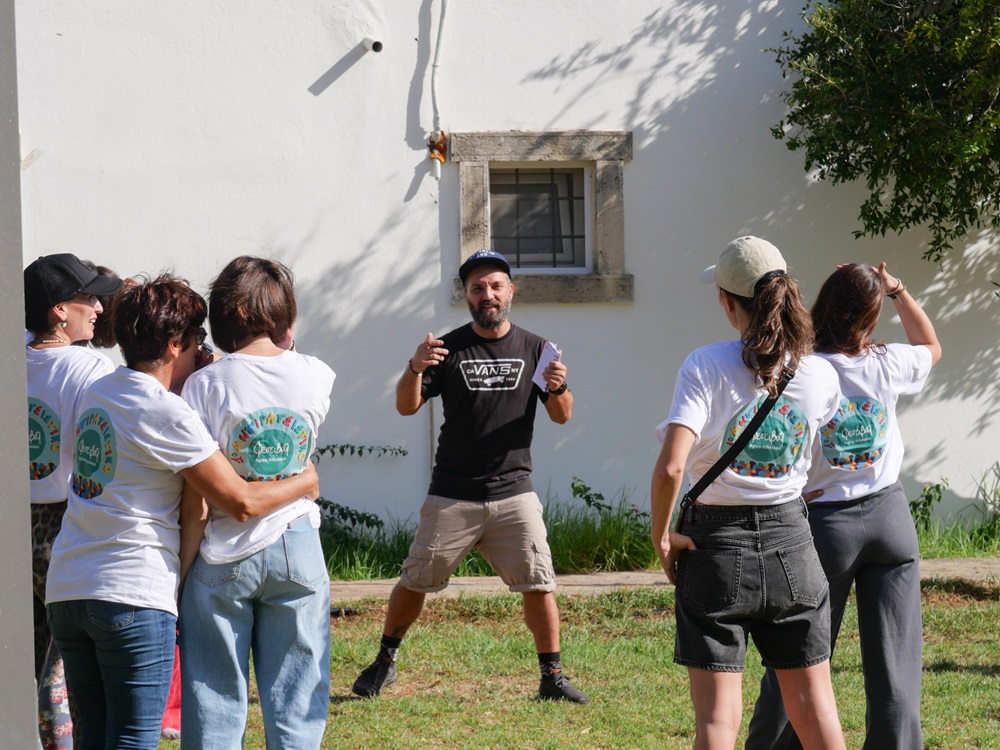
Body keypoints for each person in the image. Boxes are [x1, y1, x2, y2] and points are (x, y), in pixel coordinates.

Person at [45, 274, 321, 750]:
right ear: (174, 345)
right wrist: (307, 479)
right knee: (132, 737)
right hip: (131, 590)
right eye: (197, 343)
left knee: (92, 736)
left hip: (68, 586)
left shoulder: (100, 390)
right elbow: (240, 500)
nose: (203, 355)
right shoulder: (168, 415)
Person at [352, 249, 589, 703]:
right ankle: (385, 661)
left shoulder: (538, 349)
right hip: (452, 494)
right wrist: (414, 367)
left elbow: (562, 415)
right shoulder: (446, 348)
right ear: (466, 294)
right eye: (478, 287)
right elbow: (406, 405)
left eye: (496, 285)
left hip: (514, 492)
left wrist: (558, 386)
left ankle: (552, 677)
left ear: (510, 291)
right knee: (415, 580)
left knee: (540, 584)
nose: (488, 294)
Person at [650, 236, 847, 750]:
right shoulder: (820, 371)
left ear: (726, 301)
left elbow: (672, 465)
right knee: (815, 707)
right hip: (792, 540)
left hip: (714, 547)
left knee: (717, 722)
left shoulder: (704, 366)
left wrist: (662, 536)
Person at [745, 263, 941, 750]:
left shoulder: (802, 365)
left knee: (797, 660)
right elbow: (932, 348)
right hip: (890, 519)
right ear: (871, 318)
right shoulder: (886, 361)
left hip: (826, 526)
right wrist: (897, 288)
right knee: (896, 665)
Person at [179, 256, 336, 749]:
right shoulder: (317, 374)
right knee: (297, 700)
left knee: (214, 701)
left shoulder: (203, 384)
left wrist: (181, 573)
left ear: (225, 315)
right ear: (284, 312)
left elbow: (196, 500)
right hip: (298, 545)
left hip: (224, 548)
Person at [25, 253, 123, 750]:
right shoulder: (87, 369)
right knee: (71, 661)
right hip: (67, 526)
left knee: (29, 654)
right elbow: (101, 456)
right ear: (60, 310)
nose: (99, 308)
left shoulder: (14, 353)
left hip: (17, 524)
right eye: (88, 298)